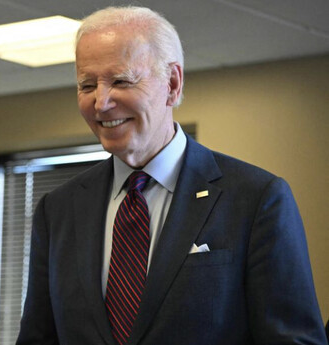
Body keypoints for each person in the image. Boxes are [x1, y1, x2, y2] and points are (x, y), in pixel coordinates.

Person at [16, 6, 327, 345]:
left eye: (121, 80)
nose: (101, 102)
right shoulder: (58, 210)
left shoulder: (256, 199)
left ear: (173, 84)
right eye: (87, 85)